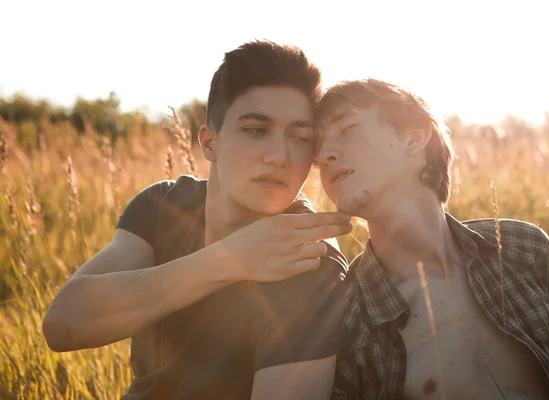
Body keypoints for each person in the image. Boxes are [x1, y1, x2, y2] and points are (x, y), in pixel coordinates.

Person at [42, 40, 353, 400]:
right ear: (209, 143)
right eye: (255, 130)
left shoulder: (306, 258)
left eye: (300, 137)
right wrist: (231, 260)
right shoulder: (165, 205)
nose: (278, 156)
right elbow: (63, 324)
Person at [315, 78, 549, 399]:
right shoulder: (345, 316)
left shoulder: (524, 247)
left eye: (346, 129)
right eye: (317, 147)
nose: (324, 154)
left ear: (414, 138)